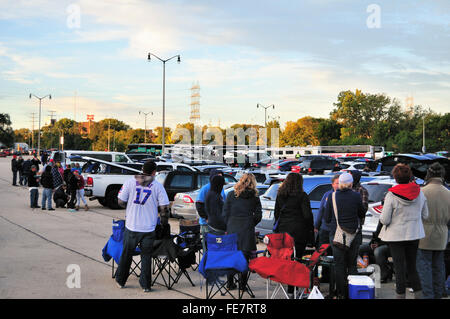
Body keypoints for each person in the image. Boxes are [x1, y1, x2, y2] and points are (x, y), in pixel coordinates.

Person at [115, 160, 170, 293]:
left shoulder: (130, 182)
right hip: (148, 228)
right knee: (146, 256)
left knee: (126, 254)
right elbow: (164, 209)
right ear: (154, 172)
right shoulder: (157, 186)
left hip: (132, 226)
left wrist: (130, 207)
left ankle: (121, 280)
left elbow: (121, 201)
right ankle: (146, 285)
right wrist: (164, 223)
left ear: (142, 169)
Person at [378, 163, 428, 299]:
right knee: (412, 267)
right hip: (414, 234)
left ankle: (400, 296)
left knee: (399, 268)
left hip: (396, 236)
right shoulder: (420, 193)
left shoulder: (391, 195)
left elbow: (385, 219)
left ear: (395, 177)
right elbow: (425, 215)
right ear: (410, 176)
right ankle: (419, 295)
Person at [324, 172, 365, 299]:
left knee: (339, 265)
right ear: (351, 183)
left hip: (337, 236)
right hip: (354, 235)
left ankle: (341, 294)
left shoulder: (332, 196)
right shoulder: (357, 196)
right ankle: (352, 293)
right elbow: (362, 213)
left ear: (340, 183)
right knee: (352, 264)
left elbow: (326, 218)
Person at [274, 172, 314, 298]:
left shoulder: (280, 195)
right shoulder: (302, 196)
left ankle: (289, 288)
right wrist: (310, 230)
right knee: (297, 261)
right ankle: (293, 289)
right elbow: (307, 215)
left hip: (284, 232)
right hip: (298, 232)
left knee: (287, 259)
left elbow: (276, 214)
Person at [416, 163, 450, 299]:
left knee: (424, 268)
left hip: (424, 233)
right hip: (442, 234)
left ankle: (428, 295)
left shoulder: (422, 192)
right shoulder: (448, 193)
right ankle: (438, 294)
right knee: (438, 266)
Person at [223, 173, 262, 290]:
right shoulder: (255, 197)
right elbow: (258, 215)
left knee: (232, 256)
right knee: (244, 257)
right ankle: (242, 285)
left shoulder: (231, 195)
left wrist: (228, 225)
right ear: (253, 183)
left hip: (232, 229)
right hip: (247, 230)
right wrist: (250, 223)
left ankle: (230, 283)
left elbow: (225, 214)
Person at [195, 169, 226, 251]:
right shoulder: (206, 188)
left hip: (218, 225)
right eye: (218, 176)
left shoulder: (220, 189)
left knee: (217, 247)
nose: (220, 178)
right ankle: (207, 262)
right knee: (208, 248)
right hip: (206, 224)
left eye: (221, 176)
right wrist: (206, 217)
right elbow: (199, 204)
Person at [315, 174, 340, 248]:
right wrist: (316, 225)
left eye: (340, 183)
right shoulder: (327, 194)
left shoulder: (344, 196)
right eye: (337, 183)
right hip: (325, 228)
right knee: (322, 249)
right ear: (332, 184)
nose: (339, 185)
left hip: (337, 229)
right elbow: (321, 211)